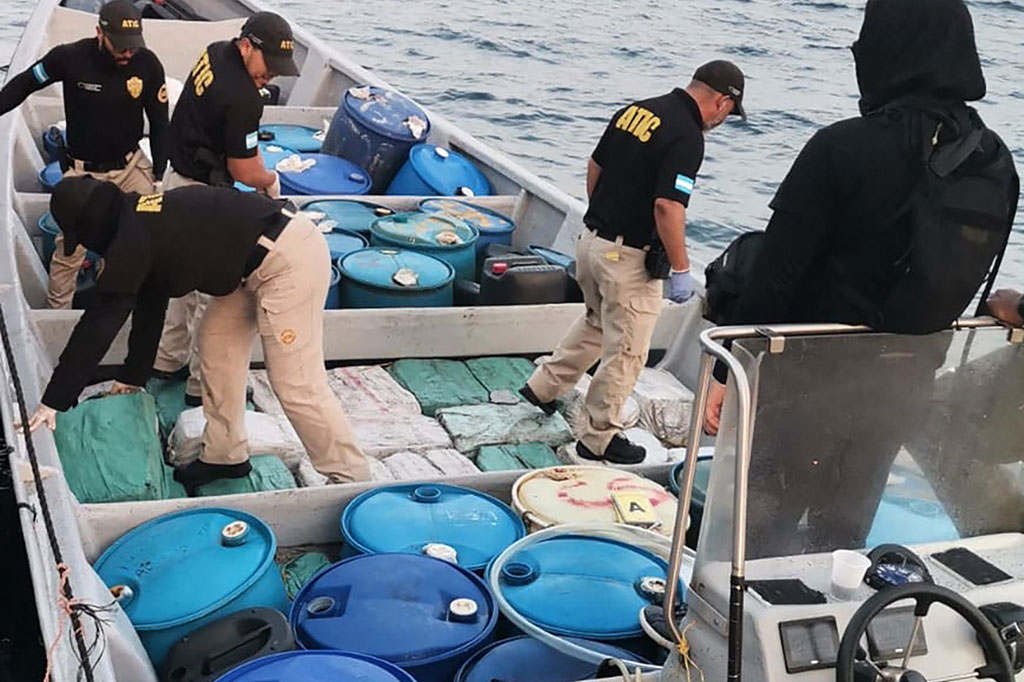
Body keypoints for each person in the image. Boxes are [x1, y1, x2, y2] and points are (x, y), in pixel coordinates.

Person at [701, 0, 1018, 557]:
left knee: (758, 533)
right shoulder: (995, 164)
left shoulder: (843, 145)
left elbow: (775, 279)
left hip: (803, 385)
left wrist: (727, 377)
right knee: (843, 531)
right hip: (902, 391)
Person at [21, 177, 369, 490]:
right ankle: (225, 455)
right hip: (245, 266)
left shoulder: (131, 240)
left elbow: (98, 325)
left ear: (91, 226)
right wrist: (133, 377)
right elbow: (149, 307)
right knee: (216, 349)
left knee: (295, 383)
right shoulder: (137, 217)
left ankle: (350, 478)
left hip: (287, 258)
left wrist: (54, 399)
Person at [518, 61, 746, 464]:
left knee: (596, 322)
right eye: (729, 111)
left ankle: (543, 387)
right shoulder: (687, 136)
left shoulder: (637, 110)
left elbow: (595, 167)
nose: (724, 119)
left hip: (591, 242)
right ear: (722, 101)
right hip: (628, 258)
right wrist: (680, 267)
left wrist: (604, 218)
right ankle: (599, 438)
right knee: (626, 350)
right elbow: (668, 206)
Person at [154, 11, 300, 405]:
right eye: (268, 65)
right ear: (247, 45)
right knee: (211, 295)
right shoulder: (243, 99)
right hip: (203, 198)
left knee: (175, 282)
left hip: (174, 182)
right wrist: (270, 182)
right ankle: (201, 386)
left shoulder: (215, 52)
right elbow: (244, 169)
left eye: (279, 70)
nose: (271, 75)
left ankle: (166, 360)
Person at [0, 0, 168, 310]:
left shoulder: (148, 65)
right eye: (120, 46)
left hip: (132, 166)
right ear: (99, 33)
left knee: (149, 237)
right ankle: (57, 314)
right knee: (68, 252)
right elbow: (24, 83)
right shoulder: (69, 58)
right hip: (82, 174)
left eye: (132, 46)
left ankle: (132, 302)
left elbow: (160, 123)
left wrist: (159, 174)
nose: (127, 53)